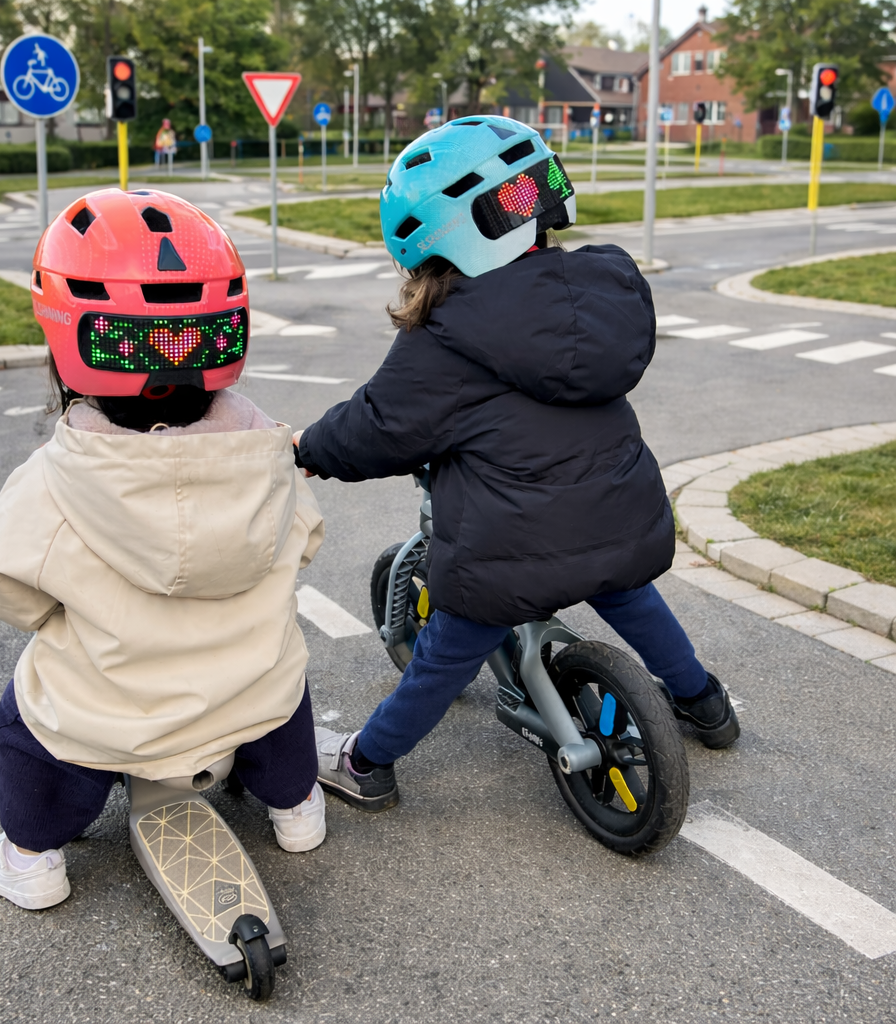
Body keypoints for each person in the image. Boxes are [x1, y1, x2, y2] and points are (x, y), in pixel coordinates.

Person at [295, 116, 739, 813]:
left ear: (428, 241)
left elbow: (376, 427)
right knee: (628, 594)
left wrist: (311, 451)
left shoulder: (442, 336)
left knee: (449, 646)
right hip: (622, 519)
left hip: (510, 554)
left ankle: (366, 761)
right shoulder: (604, 288)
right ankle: (705, 703)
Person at [0, 188, 327, 910]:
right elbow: (306, 541)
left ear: (69, 341)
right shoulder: (270, 458)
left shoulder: (50, 485)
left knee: (34, 714)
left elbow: (2, 587)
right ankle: (296, 810)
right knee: (282, 686)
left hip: (113, 715)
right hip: (246, 693)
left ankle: (30, 859)